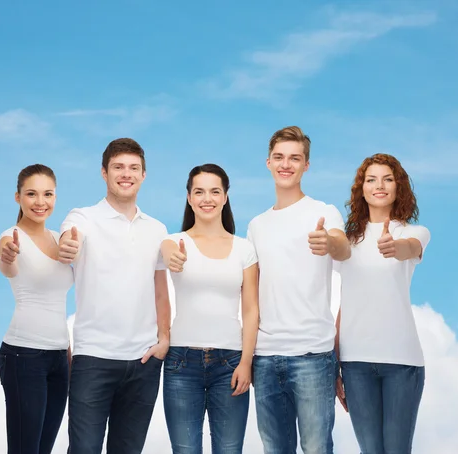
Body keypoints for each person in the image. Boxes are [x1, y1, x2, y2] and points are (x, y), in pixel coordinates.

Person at [58, 138, 170, 454]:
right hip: (93, 358)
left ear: (144, 175)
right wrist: (67, 245)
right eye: (118, 167)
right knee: (84, 449)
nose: (126, 174)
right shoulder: (83, 217)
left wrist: (164, 339)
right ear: (104, 173)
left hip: (144, 361)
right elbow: (68, 240)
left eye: (134, 168)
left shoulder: (156, 229)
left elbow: (160, 289)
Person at [247, 126, 351, 454]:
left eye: (295, 158)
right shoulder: (256, 225)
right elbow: (249, 293)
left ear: (306, 165)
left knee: (317, 448)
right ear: (268, 163)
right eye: (279, 157)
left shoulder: (324, 212)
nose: (286, 164)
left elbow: (344, 248)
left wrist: (329, 242)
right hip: (265, 358)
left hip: (313, 355)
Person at [335, 153, 430, 454]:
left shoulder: (413, 233)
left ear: (398, 187)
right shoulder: (347, 242)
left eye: (388, 179)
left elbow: (408, 249)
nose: (379, 185)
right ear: (361, 189)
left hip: (402, 362)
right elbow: (345, 303)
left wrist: (394, 247)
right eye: (371, 179)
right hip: (355, 364)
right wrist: (334, 363)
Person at [161, 164, 259, 454]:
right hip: (181, 362)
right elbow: (166, 251)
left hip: (230, 363)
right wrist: (170, 254)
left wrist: (246, 362)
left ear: (225, 197)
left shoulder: (244, 249)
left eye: (215, 191)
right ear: (189, 198)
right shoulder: (174, 242)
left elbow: (251, 309)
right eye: (199, 192)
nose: (207, 198)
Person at [0, 164, 73, 454]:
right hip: (23, 355)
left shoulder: (58, 237)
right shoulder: (11, 237)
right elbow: (7, 265)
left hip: (60, 358)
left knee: (44, 449)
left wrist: (67, 349)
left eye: (48, 194)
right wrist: (8, 256)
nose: (40, 202)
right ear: (18, 197)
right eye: (31, 194)